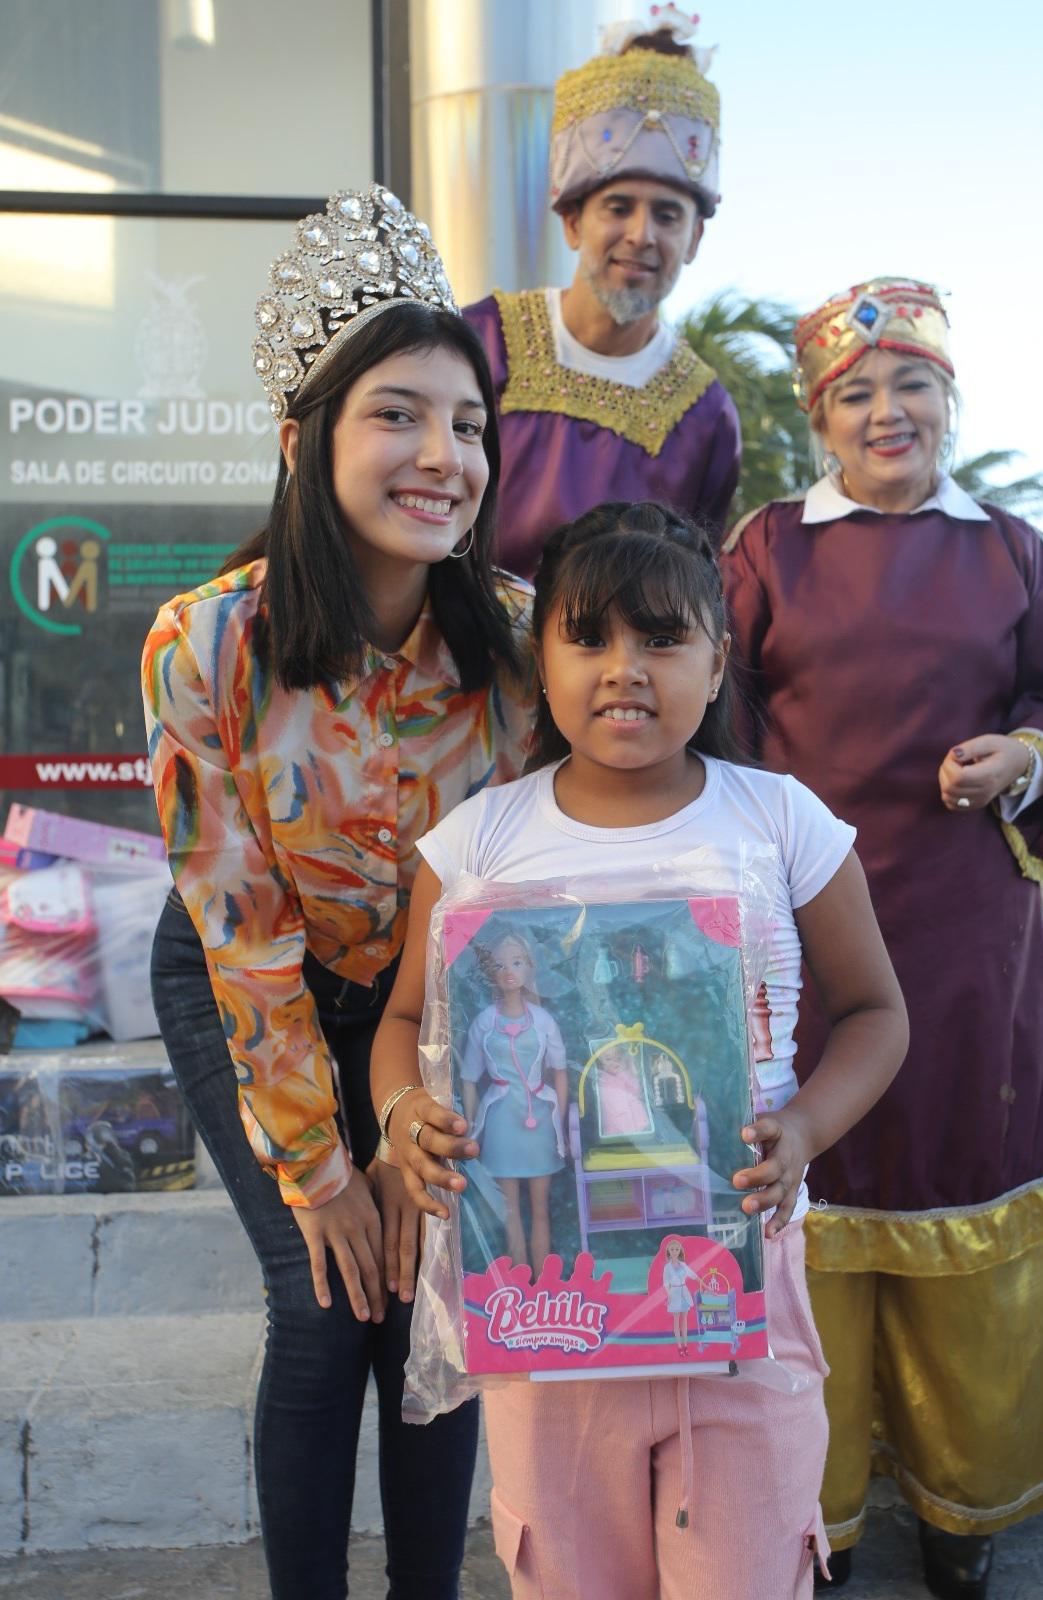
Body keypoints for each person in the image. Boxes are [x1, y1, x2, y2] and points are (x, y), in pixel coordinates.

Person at [372, 501, 909, 1599]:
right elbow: (400, 1023)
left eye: (663, 637)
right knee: (569, 1570)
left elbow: (874, 1012)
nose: (626, 668)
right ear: (544, 659)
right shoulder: (479, 841)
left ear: (717, 664)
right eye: (591, 637)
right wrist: (401, 1118)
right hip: (548, 1310)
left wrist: (803, 1125)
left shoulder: (779, 820)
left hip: (742, 1287)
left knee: (748, 1568)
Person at [141, 184, 535, 1600]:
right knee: (325, 1304)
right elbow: (239, 934)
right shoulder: (207, 644)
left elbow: (524, 897)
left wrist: (425, 1114)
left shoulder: (520, 648)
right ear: (307, 437)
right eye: (398, 414)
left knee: (433, 1299)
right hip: (248, 983)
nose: (443, 454)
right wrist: (323, 1168)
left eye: (470, 423)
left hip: (434, 1002)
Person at [722, 277, 1043, 1600]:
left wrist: (1030, 753)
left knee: (966, 1188)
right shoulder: (764, 550)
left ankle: (965, 1508)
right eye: (855, 391)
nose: (886, 410)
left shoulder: (1013, 555)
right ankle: (816, 1518)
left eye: (909, 383)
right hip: (800, 935)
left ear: (946, 397)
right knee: (816, 1192)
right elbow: (722, 718)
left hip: (965, 938)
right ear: (819, 414)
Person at [464, 13, 741, 577]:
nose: (642, 235)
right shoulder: (478, 342)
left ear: (694, 239)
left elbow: (698, 598)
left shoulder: (706, 417)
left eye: (668, 215)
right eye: (618, 208)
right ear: (572, 221)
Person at [461, 930, 568, 1272]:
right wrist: (471, 1127)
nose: (509, 971)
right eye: (500, 964)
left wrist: (559, 1120)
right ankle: (520, 1287)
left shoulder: (544, 1021)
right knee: (509, 1211)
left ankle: (546, 1283)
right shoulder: (483, 1023)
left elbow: (561, 1071)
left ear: (530, 968)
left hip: (538, 1119)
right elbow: (469, 1078)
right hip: (501, 1122)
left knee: (539, 1208)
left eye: (517, 963)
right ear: (490, 971)